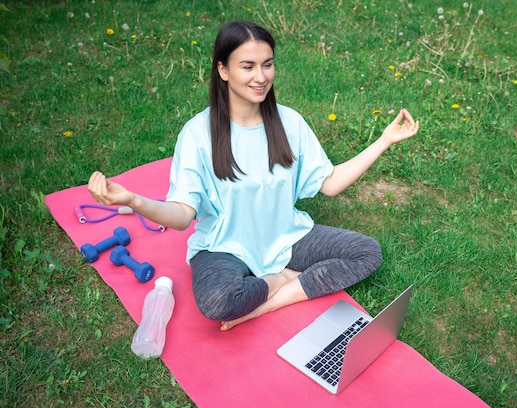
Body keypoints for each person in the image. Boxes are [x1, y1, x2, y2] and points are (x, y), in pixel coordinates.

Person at [88, 20, 419, 331]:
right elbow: (180, 215)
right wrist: (134, 200)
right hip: (224, 247)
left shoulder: (290, 122)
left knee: (366, 252)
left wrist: (384, 141)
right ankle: (280, 279)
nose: (261, 76)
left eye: (267, 64)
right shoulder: (197, 134)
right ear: (223, 70)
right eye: (248, 66)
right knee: (218, 301)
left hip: (287, 238)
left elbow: (330, 184)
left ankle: (271, 299)